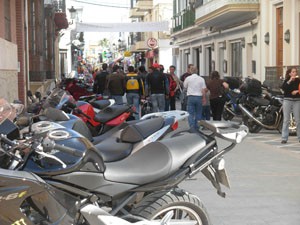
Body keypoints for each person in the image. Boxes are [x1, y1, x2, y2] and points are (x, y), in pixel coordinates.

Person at [280, 67, 300, 144]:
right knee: (286, 120)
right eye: (293, 72)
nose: (295, 73)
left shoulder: (298, 81)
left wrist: (297, 91)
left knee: (298, 120)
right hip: (287, 100)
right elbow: (283, 88)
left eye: (295, 72)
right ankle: (284, 138)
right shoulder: (286, 81)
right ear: (290, 73)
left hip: (297, 101)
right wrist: (290, 80)